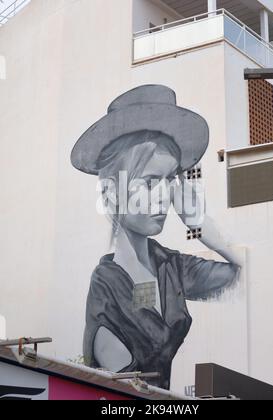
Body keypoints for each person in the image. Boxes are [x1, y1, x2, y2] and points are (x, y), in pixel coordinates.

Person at [71, 85, 242, 390]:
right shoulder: (107, 286)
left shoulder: (169, 266)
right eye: (150, 182)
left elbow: (243, 275)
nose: (164, 196)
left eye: (169, 180)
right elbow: (124, 387)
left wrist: (202, 226)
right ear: (111, 194)